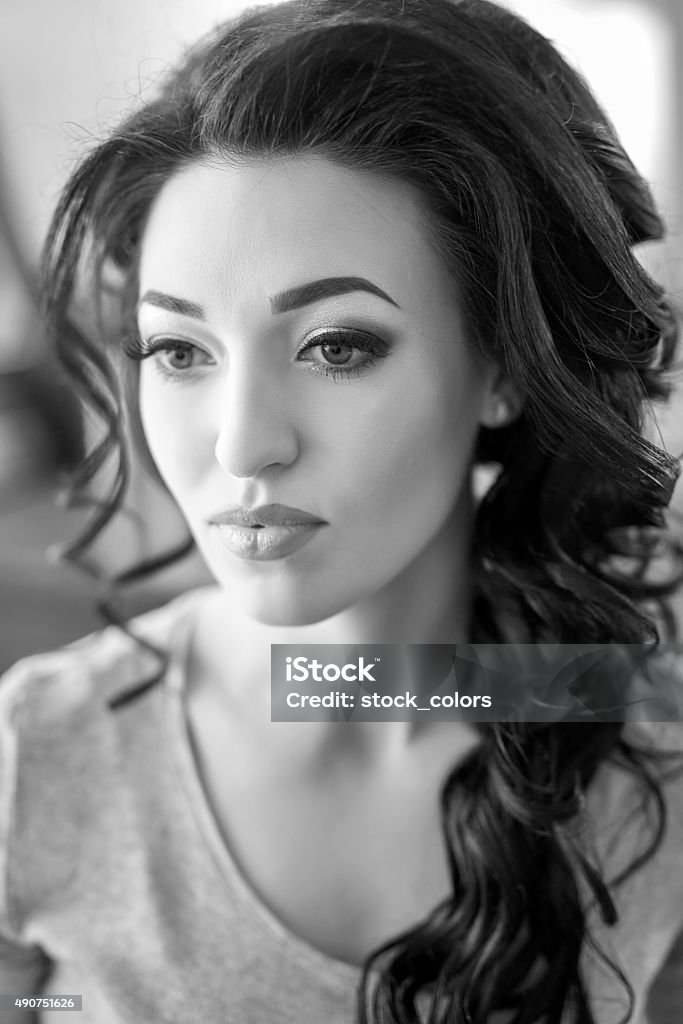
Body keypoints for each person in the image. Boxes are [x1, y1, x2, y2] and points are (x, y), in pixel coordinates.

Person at [1, 0, 683, 1021]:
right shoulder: (38, 761)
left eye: (335, 345)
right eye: (179, 351)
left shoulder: (639, 749)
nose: (240, 443)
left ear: (502, 364)